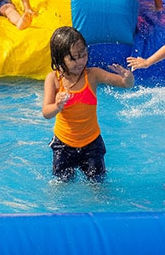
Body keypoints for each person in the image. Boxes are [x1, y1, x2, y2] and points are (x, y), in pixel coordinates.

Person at [41, 26, 134, 181]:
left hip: (91, 144)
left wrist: (128, 77)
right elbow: (46, 112)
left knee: (97, 184)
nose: (80, 62)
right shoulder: (54, 80)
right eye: (73, 58)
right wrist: (57, 106)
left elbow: (126, 85)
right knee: (61, 183)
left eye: (83, 55)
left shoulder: (92, 75)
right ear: (59, 58)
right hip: (63, 145)